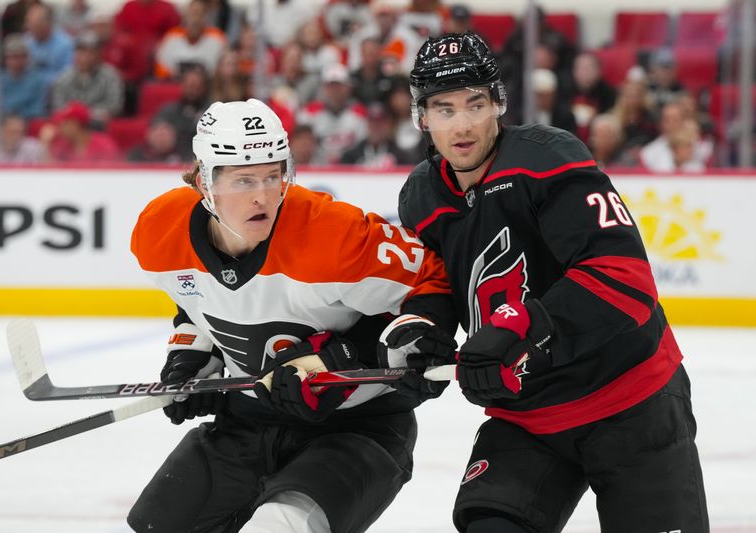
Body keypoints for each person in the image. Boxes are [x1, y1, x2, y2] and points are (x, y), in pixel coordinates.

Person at [398, 31, 709, 533]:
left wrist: (519, 328)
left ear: (498, 103)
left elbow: (622, 280)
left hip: (630, 398)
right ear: (422, 117)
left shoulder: (547, 159)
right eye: (444, 108)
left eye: (475, 103)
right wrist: (425, 329)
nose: (462, 124)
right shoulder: (420, 197)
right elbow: (435, 284)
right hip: (528, 416)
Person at [127, 98, 458, 533]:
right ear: (203, 181)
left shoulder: (333, 233)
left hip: (356, 426)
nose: (264, 195)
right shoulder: (159, 230)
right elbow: (195, 302)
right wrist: (193, 355)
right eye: (244, 180)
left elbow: (431, 281)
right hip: (246, 420)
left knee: (280, 526)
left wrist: (350, 356)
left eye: (272, 175)